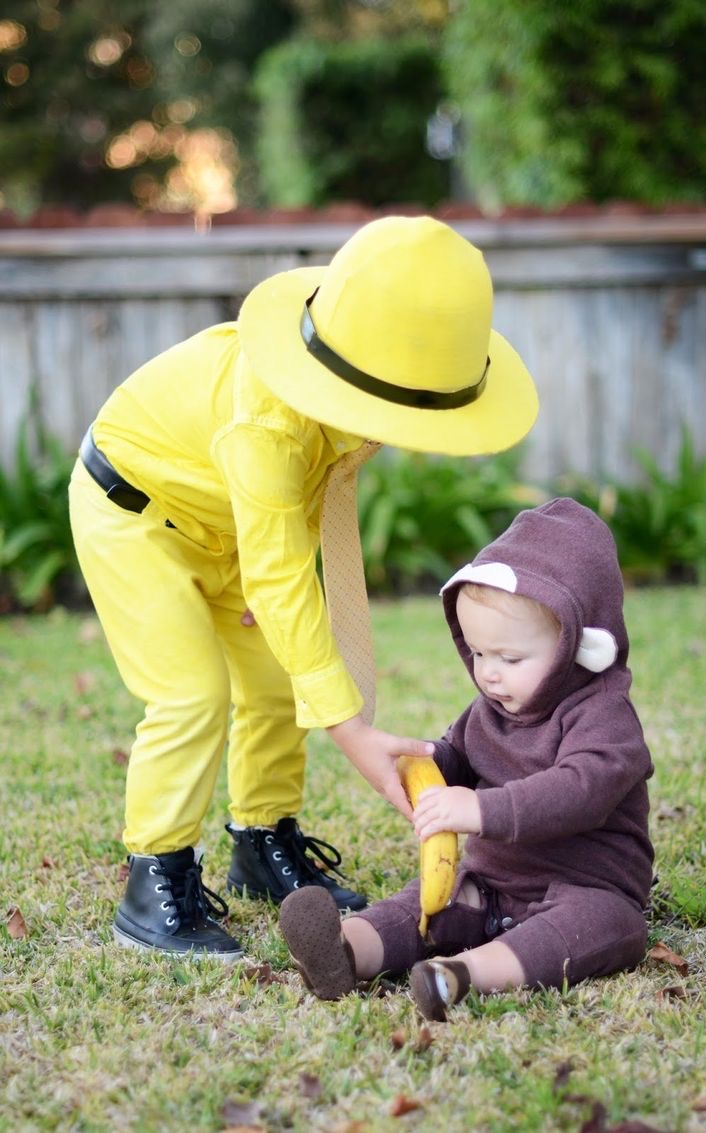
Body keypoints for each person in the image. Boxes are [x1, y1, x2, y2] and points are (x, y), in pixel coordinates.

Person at [67, 215, 539, 960]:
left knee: (277, 677)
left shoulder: (338, 401)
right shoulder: (268, 426)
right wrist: (352, 731)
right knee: (192, 692)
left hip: (230, 523)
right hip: (134, 513)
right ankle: (154, 880)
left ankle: (260, 841)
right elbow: (280, 570)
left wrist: (302, 648)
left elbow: (289, 532)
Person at [278, 498, 654, 1019]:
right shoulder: (489, 709)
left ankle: (462, 976)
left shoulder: (604, 718)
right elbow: (461, 754)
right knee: (424, 905)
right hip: (491, 883)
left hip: (584, 885)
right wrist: (427, 761)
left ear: (578, 644)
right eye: (478, 654)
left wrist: (481, 811)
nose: (489, 674)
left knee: (611, 926)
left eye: (510, 658)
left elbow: (580, 790)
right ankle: (346, 950)